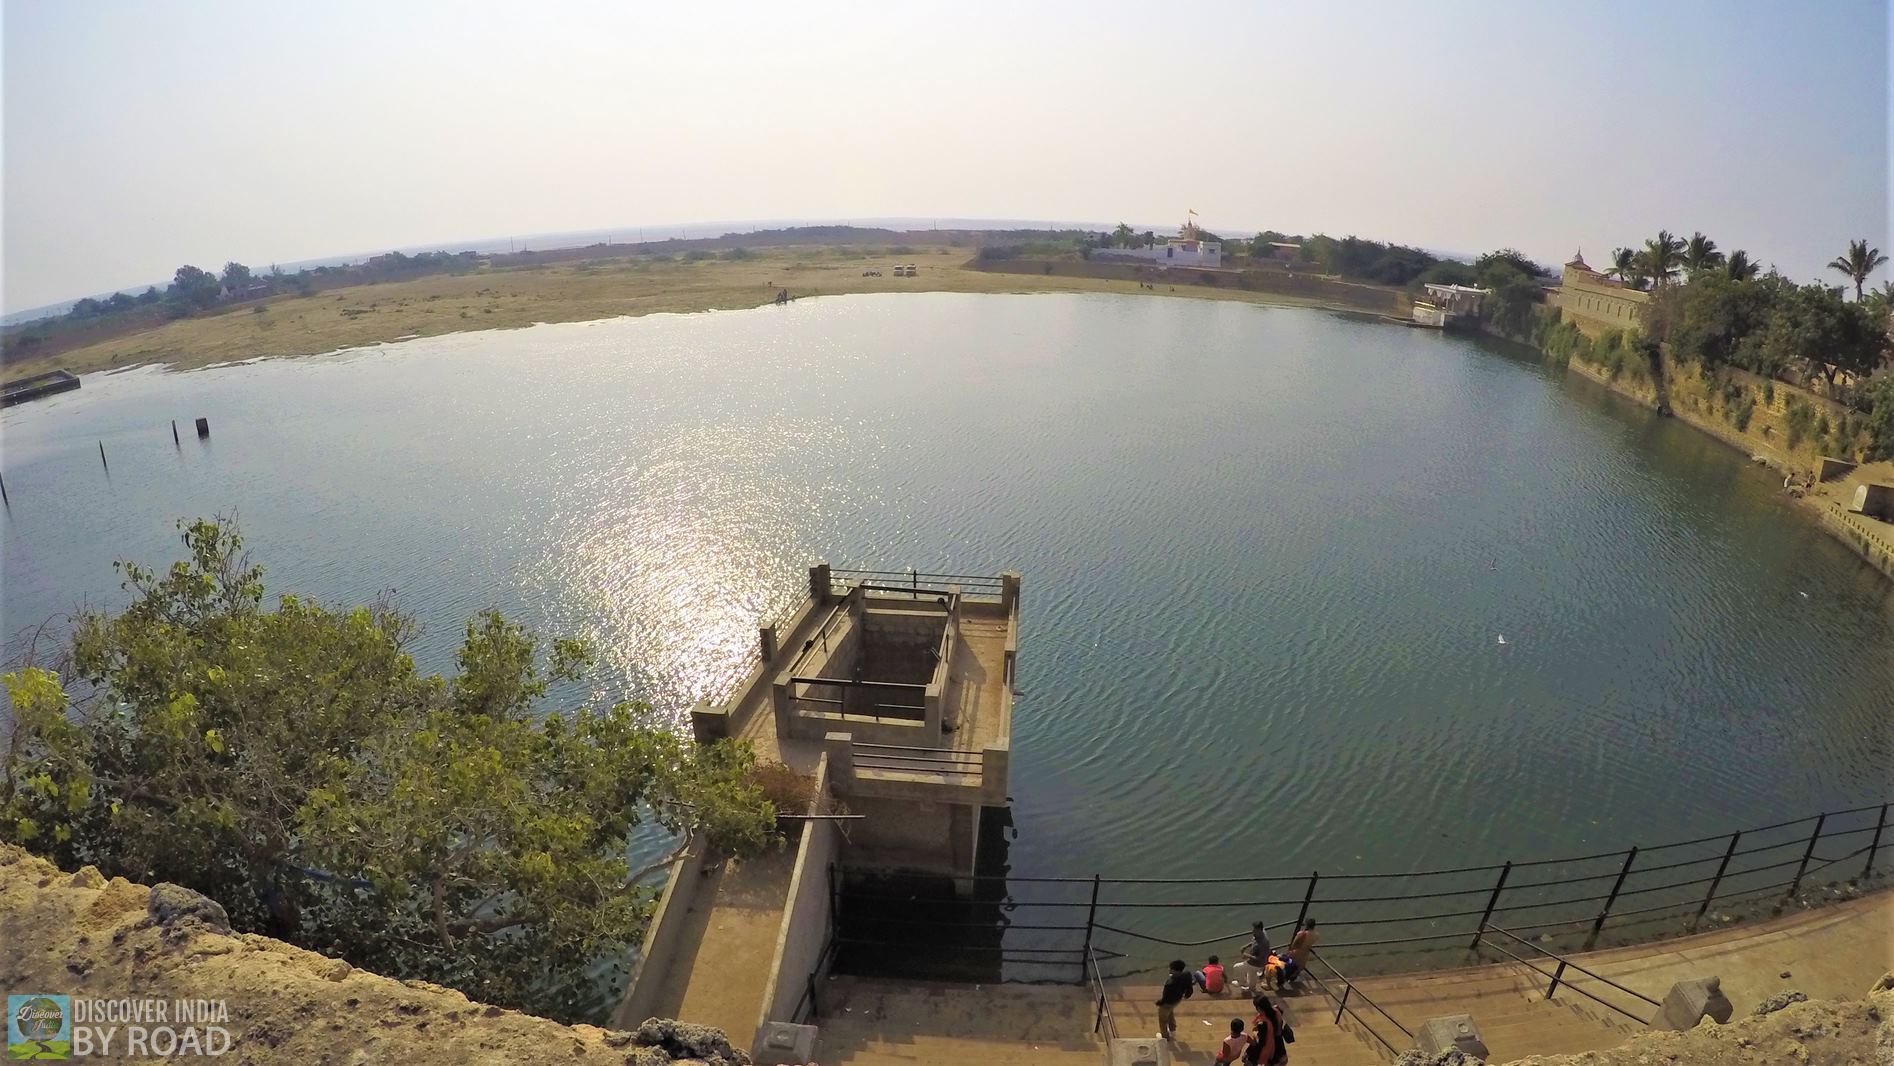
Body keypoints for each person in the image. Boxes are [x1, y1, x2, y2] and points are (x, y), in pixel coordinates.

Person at [1156, 959, 1194, 1042]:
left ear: (1174, 970)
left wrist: (1159, 1002)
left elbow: (1165, 997)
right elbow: (1189, 988)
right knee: (1170, 1012)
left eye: (1171, 968)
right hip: (1177, 1000)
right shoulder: (1186, 975)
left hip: (1168, 1002)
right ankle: (1173, 1031)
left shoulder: (1170, 983)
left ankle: (1165, 1037)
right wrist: (1187, 995)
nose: (1169, 970)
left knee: (1162, 1020)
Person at [1243, 994, 1282, 1065]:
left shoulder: (1263, 1023)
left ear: (1260, 1008)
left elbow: (1260, 1041)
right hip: (1273, 1044)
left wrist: (1255, 1033)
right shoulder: (1276, 1011)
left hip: (1263, 1047)